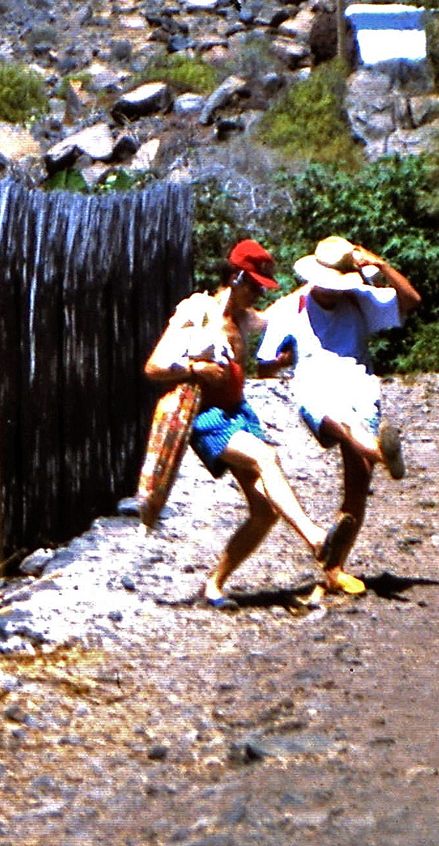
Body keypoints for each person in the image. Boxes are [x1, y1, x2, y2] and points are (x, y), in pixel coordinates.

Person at [134, 239, 344, 608]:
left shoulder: (244, 318)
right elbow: (153, 366)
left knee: (263, 513)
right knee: (266, 457)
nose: (256, 295)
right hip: (206, 417)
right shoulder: (198, 311)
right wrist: (195, 367)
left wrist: (320, 281)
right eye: (254, 286)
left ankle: (213, 587)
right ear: (235, 278)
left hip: (238, 413)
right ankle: (315, 538)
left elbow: (278, 312)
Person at [256, 236, 421, 595]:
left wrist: (380, 264)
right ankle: (381, 451)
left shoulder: (360, 299)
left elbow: (411, 301)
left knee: (357, 488)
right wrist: (285, 360)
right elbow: (264, 364)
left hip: (360, 389)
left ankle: (334, 569)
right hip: (317, 391)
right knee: (346, 427)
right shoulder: (290, 309)